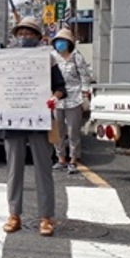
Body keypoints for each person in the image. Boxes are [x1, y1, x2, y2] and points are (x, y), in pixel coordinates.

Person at [1, 18, 67, 237]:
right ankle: (14, 215)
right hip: (13, 120)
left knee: (43, 169)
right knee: (13, 171)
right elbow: (0, 88)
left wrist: (53, 99)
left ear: (38, 37)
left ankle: (46, 217)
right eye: (21, 33)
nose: (25, 37)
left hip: (39, 120)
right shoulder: (5, 58)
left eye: (29, 34)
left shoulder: (47, 59)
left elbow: (60, 87)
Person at [50, 28, 92, 173]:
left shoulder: (76, 57)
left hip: (74, 98)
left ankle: (74, 158)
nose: (60, 45)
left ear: (69, 43)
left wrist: (85, 95)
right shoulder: (52, 57)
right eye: (57, 42)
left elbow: (85, 77)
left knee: (73, 130)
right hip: (56, 98)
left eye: (63, 42)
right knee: (58, 130)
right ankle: (60, 158)